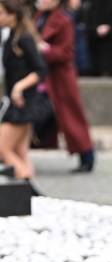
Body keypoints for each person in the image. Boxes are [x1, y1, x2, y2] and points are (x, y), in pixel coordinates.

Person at [35, 0, 95, 172]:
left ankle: (87, 155)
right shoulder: (39, 16)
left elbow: (66, 53)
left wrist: (45, 49)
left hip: (60, 78)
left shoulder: (64, 19)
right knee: (35, 117)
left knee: (72, 118)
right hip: (44, 78)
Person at [0, 0, 46, 191]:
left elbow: (41, 69)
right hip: (19, 103)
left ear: (13, 15)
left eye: (1, 13)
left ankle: (27, 189)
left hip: (23, 104)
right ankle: (32, 193)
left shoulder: (23, 39)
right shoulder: (11, 37)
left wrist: (19, 86)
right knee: (20, 151)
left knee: (4, 149)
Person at [85, 0, 112, 77]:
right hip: (96, 50)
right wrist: (96, 30)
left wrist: (110, 29)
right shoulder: (92, 3)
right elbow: (87, 24)